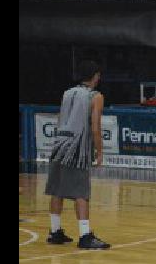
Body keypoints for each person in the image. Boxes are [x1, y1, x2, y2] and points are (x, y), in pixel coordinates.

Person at [44, 59, 111, 250]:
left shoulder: (67, 93)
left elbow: (60, 119)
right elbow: (96, 127)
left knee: (57, 190)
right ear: (95, 76)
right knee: (81, 192)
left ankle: (55, 232)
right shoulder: (95, 96)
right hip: (77, 148)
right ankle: (85, 235)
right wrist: (99, 152)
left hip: (59, 144)